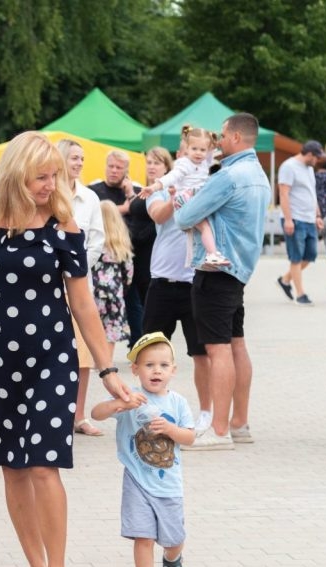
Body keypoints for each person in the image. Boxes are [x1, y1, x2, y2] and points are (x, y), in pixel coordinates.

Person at [0, 131, 134, 567]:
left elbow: (83, 304)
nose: (51, 183)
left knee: (43, 464)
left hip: (51, 359)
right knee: (12, 466)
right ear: (17, 173)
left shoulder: (62, 223)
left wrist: (108, 368)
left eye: (54, 175)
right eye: (42, 176)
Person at [174, 113, 271, 451]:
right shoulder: (259, 175)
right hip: (239, 271)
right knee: (236, 344)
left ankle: (217, 431)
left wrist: (185, 203)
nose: (217, 140)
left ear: (235, 137)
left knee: (218, 351)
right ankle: (239, 423)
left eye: (222, 134)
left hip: (216, 272)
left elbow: (185, 216)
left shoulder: (229, 176)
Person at [91, 332, 195, 567]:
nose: (156, 370)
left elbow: (190, 437)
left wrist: (171, 430)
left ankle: (173, 559)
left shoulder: (178, 403)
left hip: (169, 485)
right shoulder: (130, 399)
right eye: (148, 365)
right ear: (135, 370)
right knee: (143, 536)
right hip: (136, 480)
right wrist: (118, 404)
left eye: (162, 365)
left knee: (174, 539)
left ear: (173, 370)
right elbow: (96, 413)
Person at [141, 146, 213, 433]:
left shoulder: (203, 185)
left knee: (201, 352)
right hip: (162, 282)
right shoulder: (160, 191)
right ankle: (148, 409)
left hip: (194, 281)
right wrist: (176, 198)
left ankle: (206, 412)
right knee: (150, 351)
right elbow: (158, 215)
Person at [57, 139, 107, 437]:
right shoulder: (47, 195)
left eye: (82, 158)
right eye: (74, 158)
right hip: (48, 285)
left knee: (83, 355)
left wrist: (76, 266)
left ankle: (78, 415)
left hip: (79, 283)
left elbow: (97, 240)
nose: (79, 163)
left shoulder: (89, 198)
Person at [90, 150, 155, 349]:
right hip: (103, 259)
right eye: (111, 166)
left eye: (119, 168)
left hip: (133, 254)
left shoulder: (136, 191)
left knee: (135, 303)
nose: (114, 171)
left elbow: (146, 221)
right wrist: (124, 209)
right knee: (101, 307)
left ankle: (138, 344)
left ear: (126, 171)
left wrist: (131, 196)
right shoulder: (93, 191)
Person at [140, 126, 230, 269]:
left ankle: (208, 255)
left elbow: (213, 151)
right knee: (205, 227)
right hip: (186, 199)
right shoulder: (184, 164)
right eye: (194, 149)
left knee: (206, 225)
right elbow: (171, 177)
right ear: (186, 150)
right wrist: (154, 187)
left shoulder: (203, 163)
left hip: (196, 198)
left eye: (202, 150)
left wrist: (216, 140)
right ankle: (212, 254)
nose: (199, 153)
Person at [276, 140, 326, 305]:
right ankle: (300, 294)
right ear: (310, 154)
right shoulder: (288, 167)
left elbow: (311, 193)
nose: (317, 161)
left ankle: (285, 279)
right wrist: (288, 219)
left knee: (310, 255)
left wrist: (317, 215)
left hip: (309, 218)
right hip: (295, 218)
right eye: (316, 157)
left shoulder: (309, 168)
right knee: (296, 257)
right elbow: (283, 194)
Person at [91, 201, 133, 365]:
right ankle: (105, 362)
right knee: (111, 327)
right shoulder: (119, 245)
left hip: (92, 291)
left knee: (93, 327)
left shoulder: (93, 243)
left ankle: (93, 359)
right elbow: (128, 272)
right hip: (114, 292)